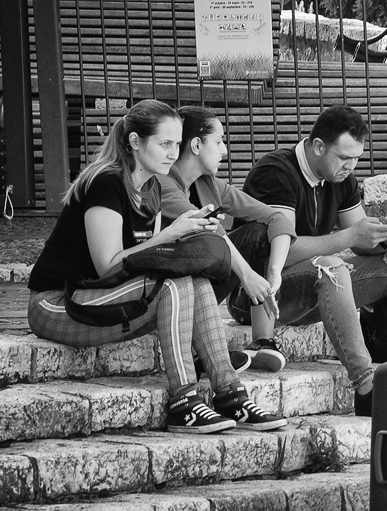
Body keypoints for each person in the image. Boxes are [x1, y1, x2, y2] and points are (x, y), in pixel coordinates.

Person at [27, 99, 286, 433]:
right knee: (174, 285)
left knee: (193, 278)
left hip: (104, 296)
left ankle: (229, 394)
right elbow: (108, 266)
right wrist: (169, 233)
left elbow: (141, 259)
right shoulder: (106, 183)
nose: (172, 154)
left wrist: (186, 233)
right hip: (57, 304)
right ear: (135, 142)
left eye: (176, 145)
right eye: (165, 144)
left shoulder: (150, 186)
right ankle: (184, 401)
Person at [225, 105, 387, 416]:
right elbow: (279, 250)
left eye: (356, 159)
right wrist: (350, 237)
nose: (350, 167)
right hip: (259, 295)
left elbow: (359, 236)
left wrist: (381, 235)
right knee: (331, 264)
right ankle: (367, 386)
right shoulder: (275, 173)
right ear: (317, 147)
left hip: (316, 286)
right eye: (343, 158)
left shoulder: (341, 176)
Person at [158, 106, 294, 374]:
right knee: (213, 241)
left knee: (257, 233)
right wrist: (247, 276)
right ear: (196, 145)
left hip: (201, 284)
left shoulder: (208, 184)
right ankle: (206, 356)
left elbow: (277, 219)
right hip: (168, 293)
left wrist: (273, 275)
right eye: (219, 141)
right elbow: (210, 230)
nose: (225, 151)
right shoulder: (161, 182)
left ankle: (261, 343)